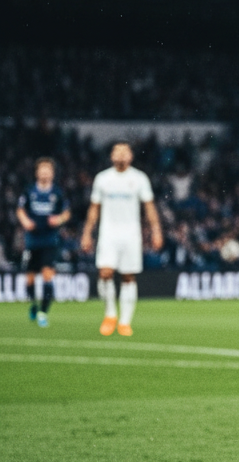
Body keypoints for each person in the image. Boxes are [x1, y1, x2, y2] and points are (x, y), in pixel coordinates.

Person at [81, 142, 163, 337]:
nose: (121, 154)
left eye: (125, 151)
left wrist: (156, 230)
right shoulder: (102, 179)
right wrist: (87, 233)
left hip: (131, 234)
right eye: (117, 151)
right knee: (105, 272)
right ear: (111, 156)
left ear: (131, 156)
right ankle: (110, 314)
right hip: (108, 233)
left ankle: (125, 321)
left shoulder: (139, 178)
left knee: (128, 276)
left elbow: (149, 207)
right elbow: (94, 208)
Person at [16, 157, 71, 328]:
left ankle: (43, 313)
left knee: (48, 274)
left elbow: (66, 212)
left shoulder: (57, 193)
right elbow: (20, 210)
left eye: (48, 170)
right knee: (30, 279)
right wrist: (25, 221)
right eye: (42, 170)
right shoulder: (30, 191)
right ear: (37, 172)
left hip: (50, 240)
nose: (45, 173)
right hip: (32, 240)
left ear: (52, 174)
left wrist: (59, 219)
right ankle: (33, 304)